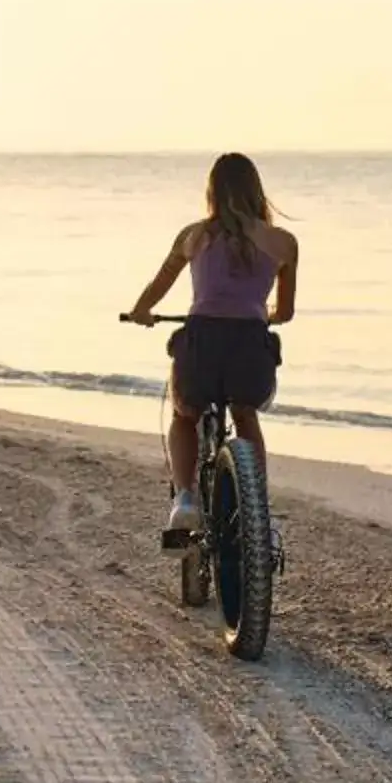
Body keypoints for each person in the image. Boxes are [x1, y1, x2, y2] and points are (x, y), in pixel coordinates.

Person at [124, 152, 299, 535]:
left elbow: (158, 285)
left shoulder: (194, 236)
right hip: (249, 347)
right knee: (246, 415)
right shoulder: (283, 242)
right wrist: (258, 312)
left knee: (184, 415)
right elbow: (284, 312)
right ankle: (257, 509)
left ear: (212, 191)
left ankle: (185, 498)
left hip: (203, 343)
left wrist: (141, 312)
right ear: (258, 191)